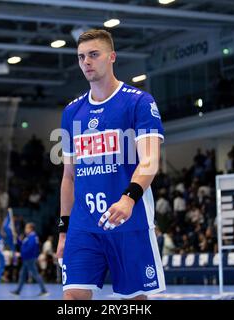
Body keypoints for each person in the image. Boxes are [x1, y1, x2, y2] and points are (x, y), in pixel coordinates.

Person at [56, 29, 166, 300]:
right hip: (83, 225)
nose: (86, 62)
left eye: (94, 55)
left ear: (112, 57)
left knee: (134, 302)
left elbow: (150, 160)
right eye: (81, 57)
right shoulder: (72, 112)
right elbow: (69, 176)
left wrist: (129, 199)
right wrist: (63, 231)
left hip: (128, 223)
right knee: (72, 298)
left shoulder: (138, 102)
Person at [11, 223, 48, 296]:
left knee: (35, 274)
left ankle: (44, 290)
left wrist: (21, 254)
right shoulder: (28, 237)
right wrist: (17, 238)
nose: (25, 230)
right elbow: (22, 245)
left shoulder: (32, 237)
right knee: (22, 274)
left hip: (29, 258)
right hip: (27, 259)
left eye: (26, 228)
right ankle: (18, 290)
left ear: (30, 229)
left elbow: (30, 248)